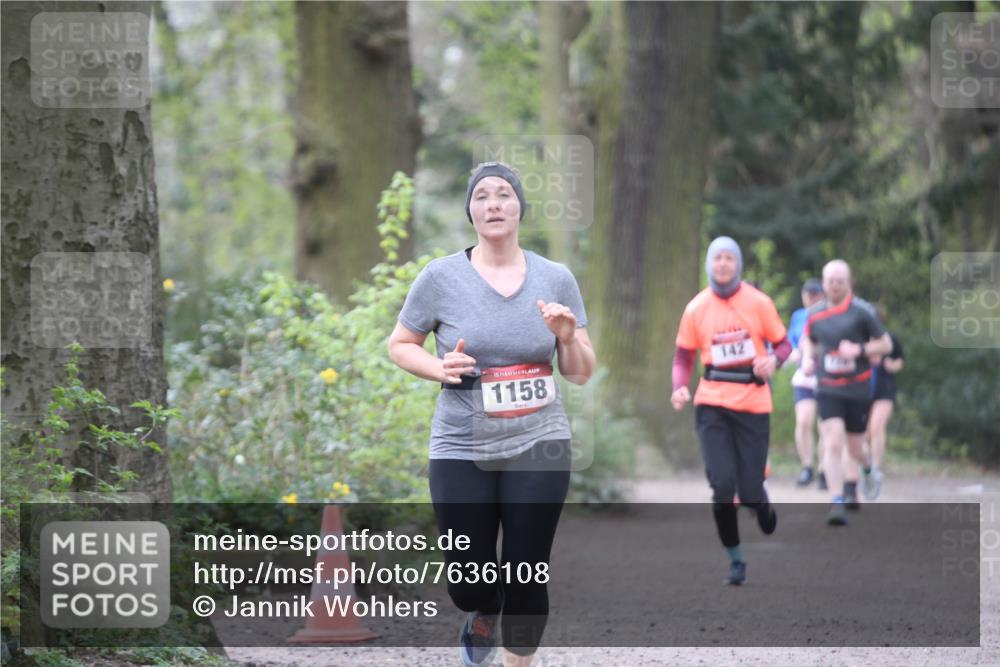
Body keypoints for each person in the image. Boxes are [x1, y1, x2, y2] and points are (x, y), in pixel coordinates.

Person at [388, 161, 596, 667]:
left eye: (504, 194)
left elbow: (581, 372)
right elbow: (399, 345)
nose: (494, 203)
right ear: (470, 211)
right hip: (461, 444)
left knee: (527, 572)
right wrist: (440, 367)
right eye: (482, 196)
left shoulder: (555, 278)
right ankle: (484, 607)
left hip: (539, 442)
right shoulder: (440, 277)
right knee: (470, 582)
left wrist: (567, 338)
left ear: (520, 207)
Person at [671, 236, 792, 586]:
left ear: (737, 264)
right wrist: (680, 386)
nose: (722, 263)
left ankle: (761, 503)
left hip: (753, 401)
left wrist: (774, 360)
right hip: (712, 403)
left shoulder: (758, 302)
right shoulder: (696, 308)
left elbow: (784, 342)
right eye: (717, 258)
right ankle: (736, 560)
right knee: (723, 485)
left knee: (750, 488)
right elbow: (683, 356)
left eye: (729, 258)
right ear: (709, 264)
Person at [799, 260, 892, 526]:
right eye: (831, 281)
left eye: (841, 280)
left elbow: (885, 344)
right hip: (828, 387)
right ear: (824, 282)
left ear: (849, 282)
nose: (835, 285)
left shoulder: (863, 312)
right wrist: (807, 358)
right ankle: (836, 501)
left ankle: (868, 468)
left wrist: (860, 350)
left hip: (857, 388)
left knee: (855, 446)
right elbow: (809, 340)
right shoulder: (814, 314)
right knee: (833, 440)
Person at [787, 279, 825, 488]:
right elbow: (791, 340)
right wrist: (793, 352)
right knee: (803, 421)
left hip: (827, 373)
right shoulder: (798, 316)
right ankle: (807, 466)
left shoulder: (829, 313)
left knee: (826, 425)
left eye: (815, 293)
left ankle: (825, 470)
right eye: (807, 294)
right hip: (805, 373)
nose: (811, 297)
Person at [865, 307, 904, 500]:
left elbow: (900, 361)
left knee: (877, 426)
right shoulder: (859, 341)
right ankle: (863, 465)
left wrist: (892, 365)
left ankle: (876, 467)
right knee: (863, 432)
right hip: (863, 390)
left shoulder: (890, 339)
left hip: (884, 389)